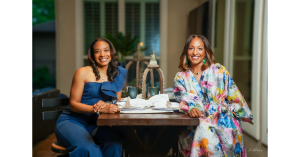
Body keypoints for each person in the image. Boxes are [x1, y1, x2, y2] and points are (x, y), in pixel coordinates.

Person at [173, 34, 253, 157]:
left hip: (222, 121)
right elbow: (182, 98)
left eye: (200, 48)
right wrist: (191, 108)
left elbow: (234, 96)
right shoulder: (181, 77)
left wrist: (241, 113)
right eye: (191, 48)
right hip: (195, 123)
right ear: (186, 51)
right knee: (199, 131)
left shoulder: (219, 70)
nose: (195, 52)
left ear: (206, 52)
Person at [55, 38, 128, 157]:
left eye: (106, 50)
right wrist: (99, 108)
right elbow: (73, 104)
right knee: (89, 149)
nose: (102, 54)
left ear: (111, 53)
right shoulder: (82, 72)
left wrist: (108, 106)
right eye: (97, 51)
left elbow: (116, 102)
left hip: (95, 123)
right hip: (71, 121)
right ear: (92, 55)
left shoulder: (117, 75)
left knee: (115, 144)